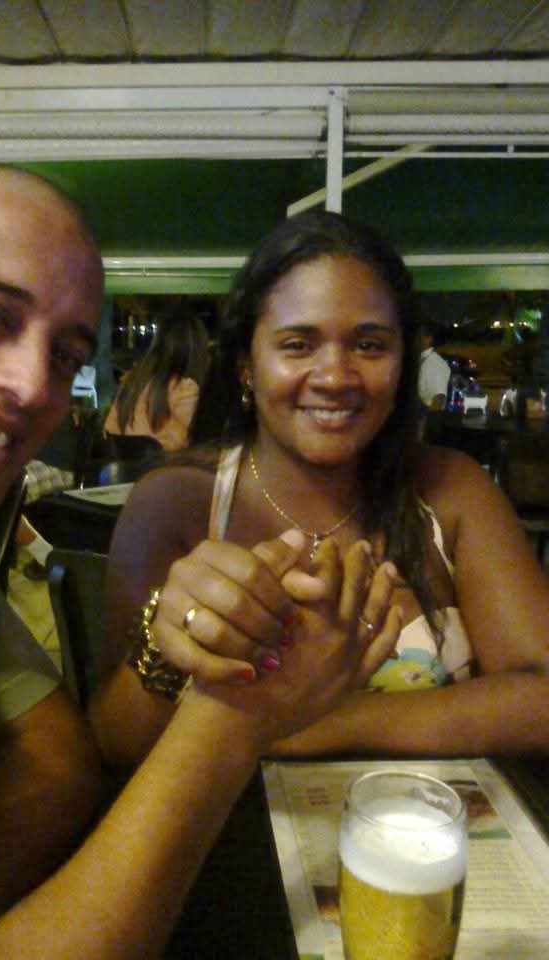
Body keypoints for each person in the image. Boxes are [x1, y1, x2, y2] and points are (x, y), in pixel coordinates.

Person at [0, 165, 400, 960]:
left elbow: (58, 760)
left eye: (66, 355)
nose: (33, 386)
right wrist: (238, 713)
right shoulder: (176, 496)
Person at [89, 208, 549, 769]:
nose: (334, 377)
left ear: (402, 363)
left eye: (369, 345)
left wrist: (312, 724)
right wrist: (165, 643)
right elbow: (113, 746)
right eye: (298, 345)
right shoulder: (175, 504)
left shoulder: (452, 491)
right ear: (246, 365)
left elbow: (540, 697)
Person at [104, 311, 209, 451]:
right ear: (198, 349)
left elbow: (108, 432)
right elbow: (197, 444)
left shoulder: (131, 384)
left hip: (122, 464)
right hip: (167, 464)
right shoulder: (185, 388)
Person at [418, 319, 451, 410]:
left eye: (418, 336)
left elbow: (438, 399)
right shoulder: (420, 361)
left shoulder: (435, 364)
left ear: (428, 339)